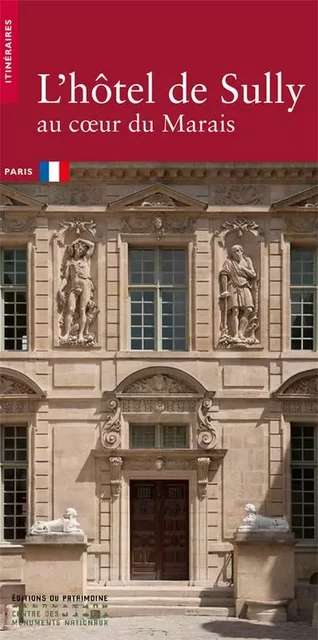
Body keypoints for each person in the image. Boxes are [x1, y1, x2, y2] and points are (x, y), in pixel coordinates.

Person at [58, 238, 96, 343]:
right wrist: (60, 289)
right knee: (70, 309)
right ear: (73, 250)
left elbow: (92, 245)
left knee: (83, 310)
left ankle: (81, 335)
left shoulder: (85, 259)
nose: (80, 251)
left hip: (85, 285)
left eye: (82, 249)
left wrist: (79, 239)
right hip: (73, 287)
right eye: (78, 248)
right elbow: (66, 278)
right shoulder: (69, 262)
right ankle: (66, 334)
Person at [219, 244, 257, 342]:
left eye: (238, 250)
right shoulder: (229, 262)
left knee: (249, 309)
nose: (237, 253)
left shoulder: (247, 260)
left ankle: (241, 332)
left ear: (242, 251)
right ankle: (235, 334)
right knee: (235, 311)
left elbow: (253, 274)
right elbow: (224, 274)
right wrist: (224, 290)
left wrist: (243, 268)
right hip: (233, 287)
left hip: (245, 286)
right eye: (234, 251)